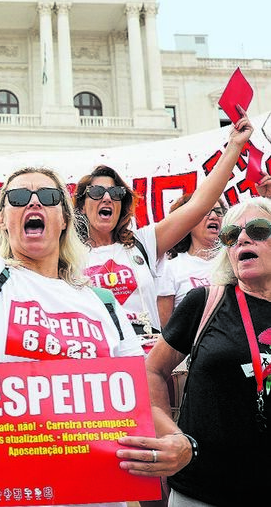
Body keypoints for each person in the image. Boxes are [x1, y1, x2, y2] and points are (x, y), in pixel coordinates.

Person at [0, 0, 164, 507]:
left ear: (63, 217)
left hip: (97, 495)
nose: (34, 202)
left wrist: (182, 442)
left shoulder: (102, 303)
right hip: (11, 490)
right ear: (1, 219)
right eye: (19, 197)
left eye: (48, 196)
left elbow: (134, 391)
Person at [132, 197, 271, 506]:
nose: (243, 239)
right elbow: (150, 371)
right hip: (203, 490)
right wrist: (171, 434)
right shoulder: (205, 302)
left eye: (258, 230)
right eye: (231, 235)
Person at [75, 135, 248, 341]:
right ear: (81, 206)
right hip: (99, 358)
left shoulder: (142, 243)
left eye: (115, 192)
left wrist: (235, 146)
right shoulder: (68, 254)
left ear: (122, 204)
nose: (106, 197)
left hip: (145, 356)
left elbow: (199, 205)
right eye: (96, 192)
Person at [158, 195, 225, 327]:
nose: (214, 216)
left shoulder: (236, 262)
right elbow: (167, 330)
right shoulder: (169, 269)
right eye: (206, 211)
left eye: (219, 212)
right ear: (187, 220)